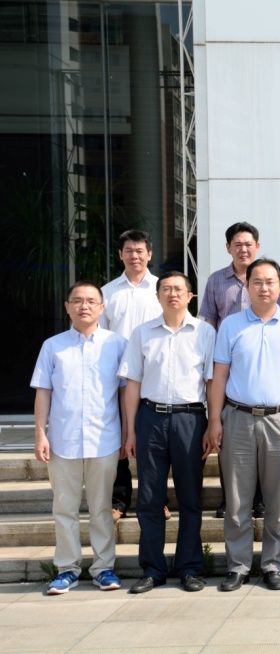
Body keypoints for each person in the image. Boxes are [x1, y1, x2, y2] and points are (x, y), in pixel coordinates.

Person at [207, 258, 280, 592]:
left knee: (278, 499)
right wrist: (214, 420)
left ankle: (274, 564)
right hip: (237, 418)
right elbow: (219, 375)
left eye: (270, 282)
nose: (264, 288)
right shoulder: (231, 325)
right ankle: (237, 565)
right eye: (257, 282)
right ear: (247, 287)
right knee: (237, 500)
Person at [118, 271, 216, 593]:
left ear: (190, 296)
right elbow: (132, 384)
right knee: (149, 498)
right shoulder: (142, 333)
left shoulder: (205, 332)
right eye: (166, 289)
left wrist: (212, 423)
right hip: (151, 419)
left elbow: (211, 383)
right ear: (157, 296)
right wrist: (130, 431)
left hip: (191, 420)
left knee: (190, 498)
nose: (172, 294)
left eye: (178, 289)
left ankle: (189, 567)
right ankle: (153, 569)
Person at [31, 281, 126, 595]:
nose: (84, 306)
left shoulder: (117, 344)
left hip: (105, 438)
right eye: (77, 301)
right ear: (67, 307)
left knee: (101, 508)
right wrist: (40, 433)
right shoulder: (53, 346)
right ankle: (67, 569)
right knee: (64, 508)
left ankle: (103, 568)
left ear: (101, 307)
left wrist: (128, 433)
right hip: (63, 440)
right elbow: (44, 392)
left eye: (91, 301)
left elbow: (125, 393)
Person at [199, 222, 280, 518]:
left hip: (261, 367)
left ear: (257, 247)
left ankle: (259, 500)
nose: (243, 249)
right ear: (228, 248)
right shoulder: (216, 281)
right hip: (227, 367)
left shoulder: (271, 279)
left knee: (263, 443)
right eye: (237, 244)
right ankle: (231, 499)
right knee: (230, 437)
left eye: (248, 244)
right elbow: (208, 322)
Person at [98, 230, 163, 522]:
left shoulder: (162, 288)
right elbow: (99, 335)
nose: (134, 256)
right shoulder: (107, 292)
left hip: (154, 377)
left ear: (149, 254)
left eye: (139, 250)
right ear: (120, 255)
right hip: (117, 379)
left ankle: (157, 499)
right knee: (118, 439)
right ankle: (119, 499)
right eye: (128, 251)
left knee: (154, 443)